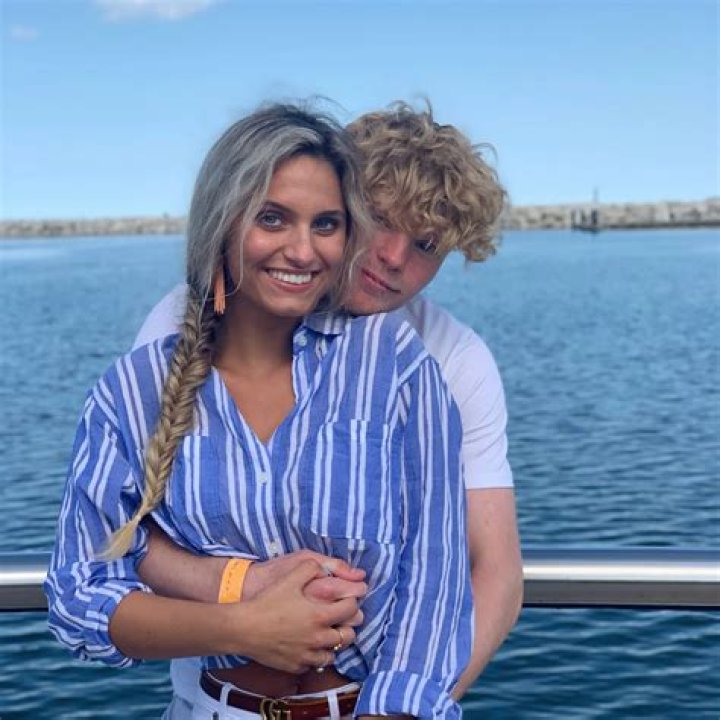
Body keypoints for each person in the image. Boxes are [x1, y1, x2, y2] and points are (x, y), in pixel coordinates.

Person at [45, 103, 472, 720]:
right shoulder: (133, 392)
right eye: (273, 218)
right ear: (222, 221)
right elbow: (78, 594)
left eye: (326, 225)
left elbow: (435, 579)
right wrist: (243, 625)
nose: (302, 250)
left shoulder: (394, 362)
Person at [134, 102, 523, 706]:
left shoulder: (454, 359)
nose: (394, 256)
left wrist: (405, 709)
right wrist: (241, 588)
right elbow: (130, 531)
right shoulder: (193, 322)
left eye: (426, 244)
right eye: (381, 220)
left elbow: (494, 571)